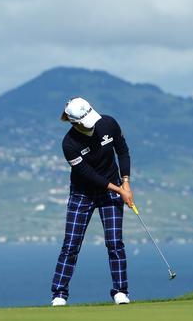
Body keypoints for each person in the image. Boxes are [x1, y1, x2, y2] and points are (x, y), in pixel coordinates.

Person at [50, 97, 135, 306]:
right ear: (75, 123)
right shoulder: (69, 144)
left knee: (115, 243)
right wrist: (120, 190)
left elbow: (122, 151)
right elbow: (88, 175)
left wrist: (126, 183)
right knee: (71, 245)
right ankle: (59, 294)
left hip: (112, 190)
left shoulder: (108, 123)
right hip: (82, 193)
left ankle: (120, 291)